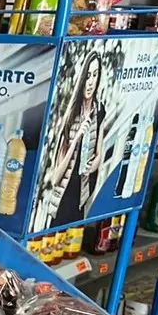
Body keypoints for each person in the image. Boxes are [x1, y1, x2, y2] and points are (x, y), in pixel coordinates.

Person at [50, 51, 105, 227]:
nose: (90, 81)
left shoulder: (100, 111)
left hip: (80, 197)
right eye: (87, 75)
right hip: (62, 200)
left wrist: (92, 166)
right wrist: (75, 141)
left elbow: (99, 154)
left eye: (95, 75)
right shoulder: (70, 117)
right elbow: (55, 178)